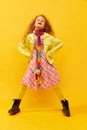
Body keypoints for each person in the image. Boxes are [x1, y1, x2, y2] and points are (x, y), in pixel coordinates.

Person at [8, 14, 70, 116]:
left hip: (46, 62)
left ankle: (65, 103)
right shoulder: (29, 37)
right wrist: (28, 54)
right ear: (34, 24)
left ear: (45, 26)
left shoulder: (48, 37)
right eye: (38, 20)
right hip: (34, 63)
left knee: (55, 83)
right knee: (24, 83)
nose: (40, 21)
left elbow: (60, 43)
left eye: (43, 21)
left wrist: (49, 53)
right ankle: (16, 105)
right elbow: (20, 46)